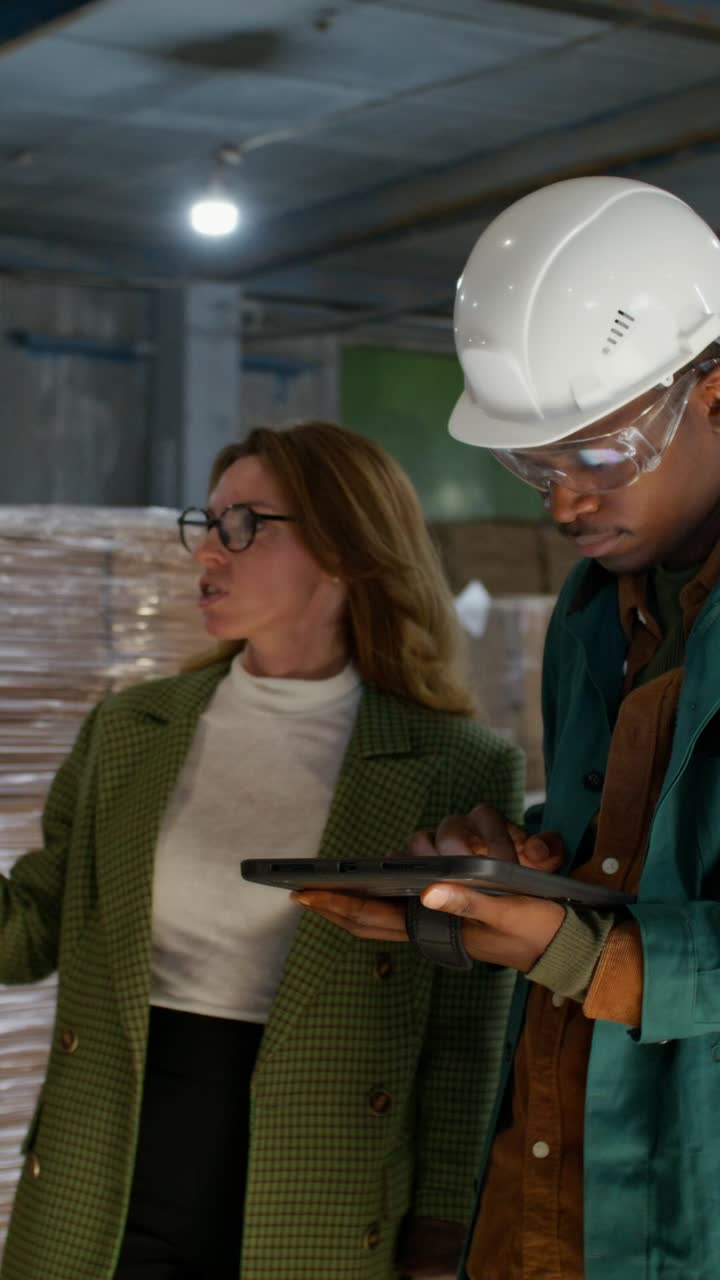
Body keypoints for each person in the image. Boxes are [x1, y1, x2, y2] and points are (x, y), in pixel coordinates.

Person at [295, 177, 720, 1279]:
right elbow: (634, 860)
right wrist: (499, 875)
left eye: (598, 455)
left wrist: (575, 949)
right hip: (549, 1190)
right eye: (536, 465)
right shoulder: (597, 614)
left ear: (715, 396)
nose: (564, 502)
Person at [0, 419, 524, 1280]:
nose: (208, 550)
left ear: (344, 546)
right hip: (104, 1172)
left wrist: (442, 1224)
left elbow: (466, 1033)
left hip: (320, 1187)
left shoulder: (455, 767)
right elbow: (26, 933)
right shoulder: (131, 731)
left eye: (242, 524)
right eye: (205, 523)